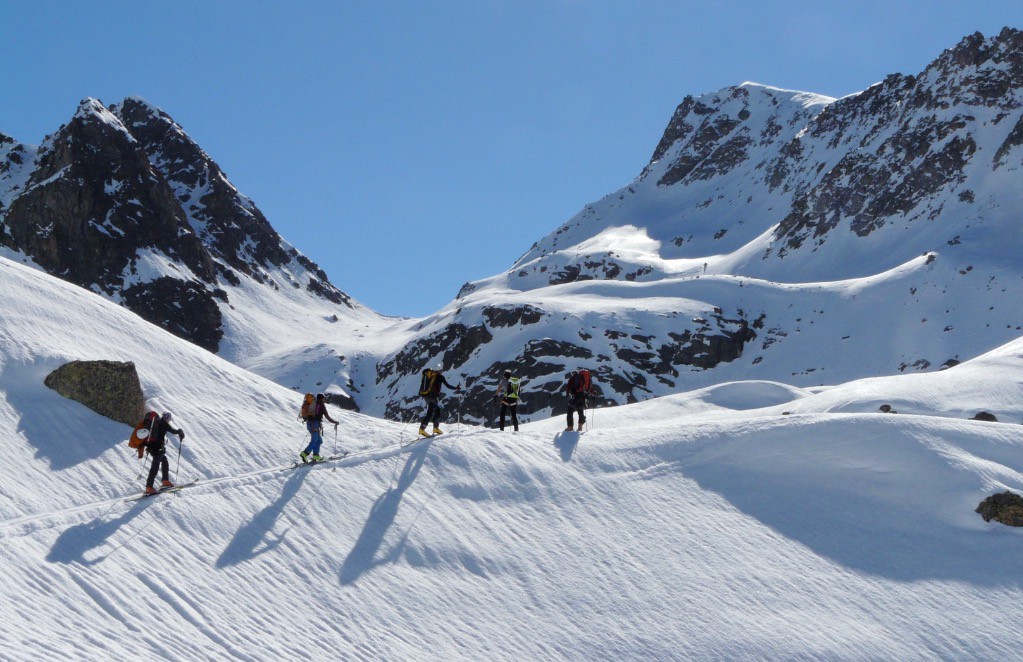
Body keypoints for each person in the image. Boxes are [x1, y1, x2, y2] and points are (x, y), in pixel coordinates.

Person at [143, 412, 185, 495]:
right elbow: (173, 431)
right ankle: (149, 487)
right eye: (169, 418)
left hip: (151, 447)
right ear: (167, 418)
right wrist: (180, 431)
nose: (169, 420)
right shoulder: (164, 423)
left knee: (164, 461)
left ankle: (165, 480)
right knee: (155, 466)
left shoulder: (156, 423)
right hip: (157, 447)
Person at [418, 364, 460, 436]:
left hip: (426, 396)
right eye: (441, 370)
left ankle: (435, 428)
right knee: (430, 413)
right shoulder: (440, 377)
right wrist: (456, 388)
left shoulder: (430, 375)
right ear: (440, 370)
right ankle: (422, 429)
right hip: (433, 397)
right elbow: (448, 385)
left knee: (437, 411)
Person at [300, 393, 339, 462]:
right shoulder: (321, 405)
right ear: (322, 398)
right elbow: (327, 416)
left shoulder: (314, 404)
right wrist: (335, 422)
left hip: (310, 423)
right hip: (314, 424)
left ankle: (316, 455)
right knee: (314, 441)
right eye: (324, 398)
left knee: (319, 441)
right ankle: (304, 453)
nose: (324, 400)